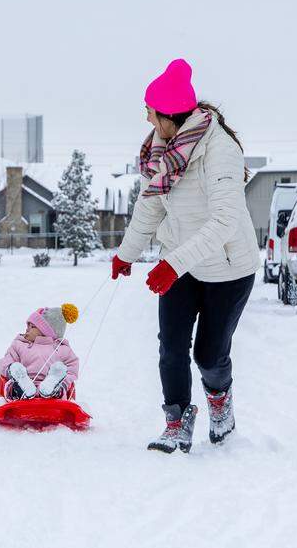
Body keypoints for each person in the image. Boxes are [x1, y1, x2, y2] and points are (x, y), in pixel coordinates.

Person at [111, 58, 258, 454]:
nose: (147, 118)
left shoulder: (218, 149)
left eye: (150, 112)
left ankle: (219, 400)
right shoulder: (163, 148)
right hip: (181, 262)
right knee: (171, 347)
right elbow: (151, 206)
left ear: (168, 114)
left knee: (209, 354)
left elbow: (225, 220)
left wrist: (171, 263)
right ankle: (176, 421)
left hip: (227, 267)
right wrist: (126, 254)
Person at [0, 303, 80, 400]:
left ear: (45, 330)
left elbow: (72, 367)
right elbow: (6, 361)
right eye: (27, 326)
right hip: (22, 391)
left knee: (58, 381)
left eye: (32, 326)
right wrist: (10, 369)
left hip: (52, 397)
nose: (27, 329)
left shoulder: (61, 349)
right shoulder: (19, 345)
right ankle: (21, 384)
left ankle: (53, 384)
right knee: (15, 380)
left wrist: (64, 383)